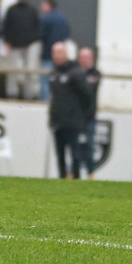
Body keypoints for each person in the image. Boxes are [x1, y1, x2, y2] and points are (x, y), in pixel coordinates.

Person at [48, 43, 92, 179]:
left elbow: (87, 95)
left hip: (73, 121)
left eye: (60, 52)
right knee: (60, 154)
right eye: (54, 52)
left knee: (75, 153)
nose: (57, 55)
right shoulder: (53, 73)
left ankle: (76, 178)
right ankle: (62, 178)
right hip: (57, 120)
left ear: (66, 54)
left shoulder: (76, 72)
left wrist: (79, 113)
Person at [1, 0, 42, 100]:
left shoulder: (32, 10)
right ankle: (12, 93)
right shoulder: (11, 10)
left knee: (31, 70)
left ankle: (30, 94)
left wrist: (32, 41)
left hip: (30, 45)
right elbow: (6, 27)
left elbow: (37, 27)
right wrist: (7, 41)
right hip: (14, 45)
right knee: (12, 71)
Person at [38, 0, 71, 100]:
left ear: (48, 5)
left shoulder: (46, 18)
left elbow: (41, 34)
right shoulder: (63, 17)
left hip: (48, 53)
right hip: (61, 56)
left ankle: (45, 100)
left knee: (45, 79)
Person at [77, 47, 102, 179]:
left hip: (89, 116)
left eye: (87, 57)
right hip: (75, 116)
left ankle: (90, 172)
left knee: (90, 145)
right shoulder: (74, 72)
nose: (84, 60)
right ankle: (72, 172)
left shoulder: (96, 74)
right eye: (82, 57)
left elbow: (87, 91)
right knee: (75, 146)